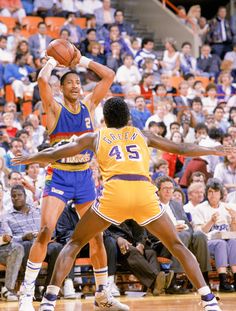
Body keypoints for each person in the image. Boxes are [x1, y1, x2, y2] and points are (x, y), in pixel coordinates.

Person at [13, 97, 232, 311]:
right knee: (177, 245)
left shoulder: (96, 136)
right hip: (143, 193)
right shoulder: (141, 134)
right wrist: (212, 150)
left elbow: (57, 153)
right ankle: (209, 300)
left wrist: (30, 157)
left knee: (74, 243)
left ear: (105, 120)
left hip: (115, 194)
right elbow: (181, 149)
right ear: (128, 118)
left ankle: (48, 302)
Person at [16, 46, 120, 311]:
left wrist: (81, 60)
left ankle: (102, 293)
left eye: (77, 82)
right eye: (69, 83)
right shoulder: (53, 109)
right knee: (45, 232)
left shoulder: (90, 105)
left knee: (96, 236)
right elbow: (41, 80)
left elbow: (108, 76)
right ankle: (27, 294)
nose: (75, 85)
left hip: (85, 177)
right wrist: (52, 61)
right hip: (59, 176)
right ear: (61, 88)